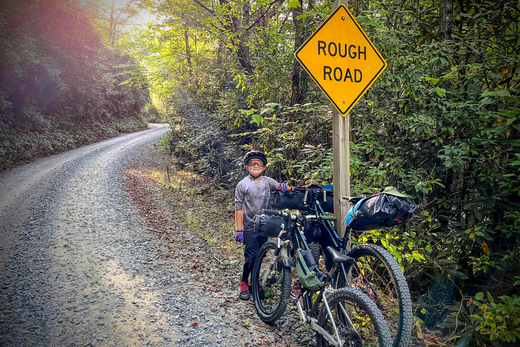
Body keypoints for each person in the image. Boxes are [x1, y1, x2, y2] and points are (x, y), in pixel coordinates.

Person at [234, 148, 287, 300]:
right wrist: (239, 230)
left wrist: (283, 188)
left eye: (259, 165)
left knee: (260, 255)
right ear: (247, 167)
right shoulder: (242, 185)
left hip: (265, 225)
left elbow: (280, 188)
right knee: (250, 257)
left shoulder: (268, 182)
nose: (256, 167)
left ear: (264, 167)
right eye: (252, 164)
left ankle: (255, 282)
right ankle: (244, 281)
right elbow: (238, 207)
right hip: (250, 226)